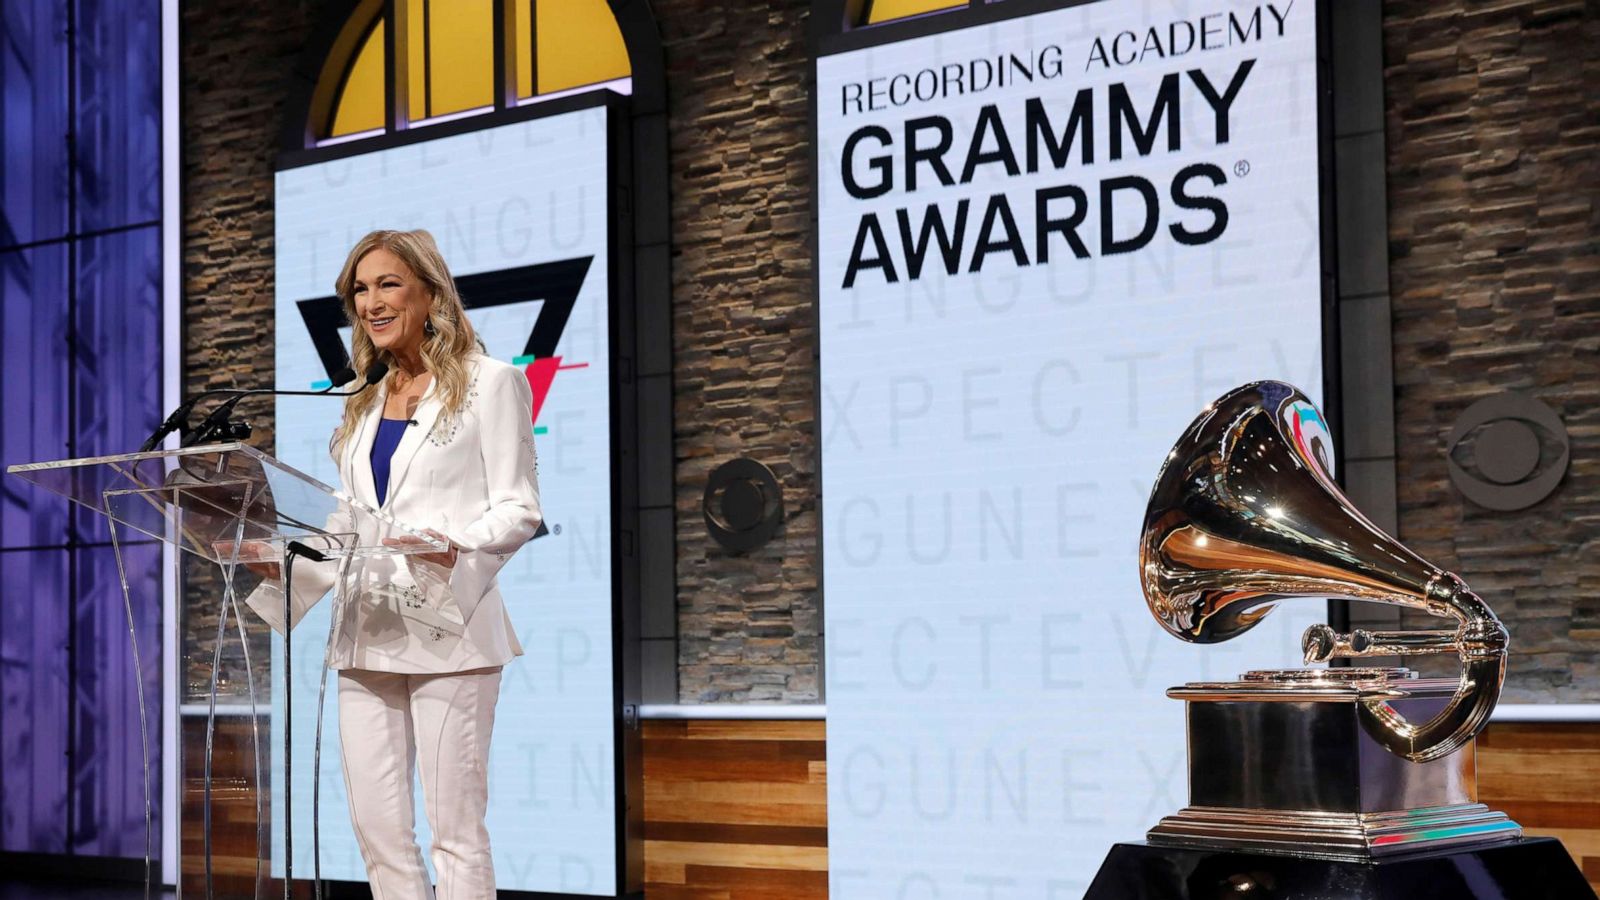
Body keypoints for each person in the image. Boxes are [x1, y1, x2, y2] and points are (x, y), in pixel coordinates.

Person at [244, 228, 541, 900]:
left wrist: (455, 546)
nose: (370, 302)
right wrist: (285, 569)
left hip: (450, 634)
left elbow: (518, 508)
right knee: (379, 834)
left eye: (386, 285)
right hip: (367, 634)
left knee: (455, 835)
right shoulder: (364, 401)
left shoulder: (493, 384)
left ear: (430, 293)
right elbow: (349, 526)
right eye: (359, 290)